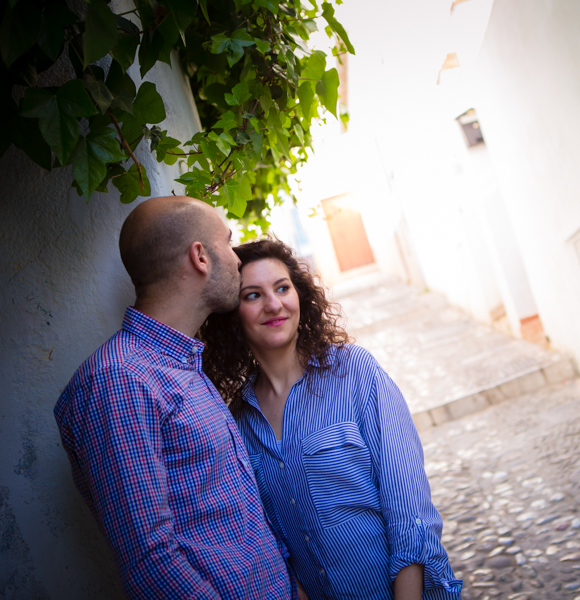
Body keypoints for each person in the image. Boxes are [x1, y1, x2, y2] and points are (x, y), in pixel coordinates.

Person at [54, 197, 294, 599]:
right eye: (227, 242)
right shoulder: (121, 380)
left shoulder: (180, 364)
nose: (236, 259)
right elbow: (151, 560)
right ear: (200, 257)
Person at [200, 238, 463, 600]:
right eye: (252, 295)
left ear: (299, 296)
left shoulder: (354, 372)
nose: (274, 304)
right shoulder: (238, 422)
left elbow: (409, 512)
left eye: (282, 288)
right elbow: (271, 549)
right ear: (233, 314)